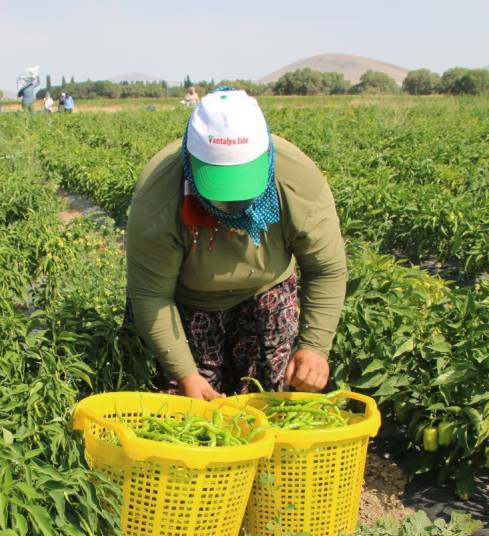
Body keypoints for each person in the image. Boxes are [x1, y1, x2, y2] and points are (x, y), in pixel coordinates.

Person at [125, 88, 346, 399]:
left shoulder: (297, 180)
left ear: (266, 154)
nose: (232, 204)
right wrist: (185, 375)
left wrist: (314, 346)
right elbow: (151, 295)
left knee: (265, 402)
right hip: (184, 303)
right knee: (189, 417)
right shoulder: (160, 193)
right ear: (190, 160)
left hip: (265, 294)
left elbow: (326, 270)